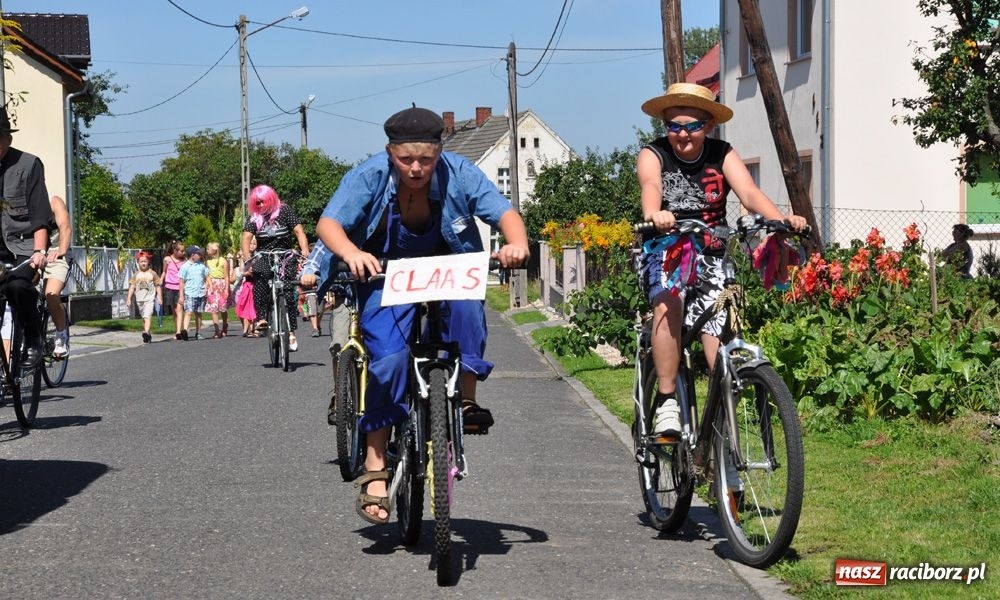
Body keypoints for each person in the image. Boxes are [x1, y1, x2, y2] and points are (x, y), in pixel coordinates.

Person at [313, 105, 529, 524]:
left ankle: (466, 401)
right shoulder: (369, 175)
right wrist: (352, 252)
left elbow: (503, 212)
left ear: (439, 152)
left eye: (426, 159)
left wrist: (516, 243)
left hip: (446, 269)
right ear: (390, 152)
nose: (416, 168)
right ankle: (376, 464)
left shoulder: (459, 172)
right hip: (384, 274)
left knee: (468, 309)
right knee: (389, 359)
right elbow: (329, 224)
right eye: (406, 159)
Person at [637, 83, 807, 437]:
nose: (682, 134)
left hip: (712, 256)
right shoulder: (654, 153)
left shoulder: (722, 153)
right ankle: (667, 401)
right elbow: (651, 185)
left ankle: (721, 428)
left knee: (720, 338)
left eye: (692, 125)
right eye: (673, 125)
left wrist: (780, 222)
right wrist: (655, 214)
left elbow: (749, 192)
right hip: (666, 252)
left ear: (709, 126)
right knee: (669, 305)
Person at [0, 108, 53, 368]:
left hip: (23, 246)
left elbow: (40, 214)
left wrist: (39, 252)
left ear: (8, 139)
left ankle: (33, 338)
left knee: (18, 287)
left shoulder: (28, 165)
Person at [241, 184, 310, 351]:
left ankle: (291, 332)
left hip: (285, 255)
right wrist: (247, 257)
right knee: (260, 278)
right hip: (264, 255)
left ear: (270, 199)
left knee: (288, 291)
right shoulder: (255, 217)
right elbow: (246, 237)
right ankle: (262, 319)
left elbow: (299, 231)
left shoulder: (284, 211)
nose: (260, 205)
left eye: (262, 201)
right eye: (257, 202)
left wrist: (305, 251)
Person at [300, 240, 350, 426]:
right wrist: (309, 272)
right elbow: (317, 255)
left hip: (375, 294)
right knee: (339, 346)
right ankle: (340, 396)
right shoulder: (337, 228)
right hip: (346, 297)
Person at [44, 195, 72, 358]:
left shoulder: (54, 202)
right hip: (32, 255)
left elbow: (65, 227)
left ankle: (61, 334)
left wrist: (61, 250)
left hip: (55, 255)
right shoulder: (20, 203)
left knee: (51, 294)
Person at [125, 251, 163, 343]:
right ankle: (148, 334)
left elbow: (158, 286)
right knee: (144, 318)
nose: (143, 263)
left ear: (148, 262)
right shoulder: (136, 274)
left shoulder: (152, 273)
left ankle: (145, 332)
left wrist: (160, 297)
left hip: (149, 299)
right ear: (138, 262)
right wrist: (129, 299)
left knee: (147, 316)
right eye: (141, 261)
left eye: (145, 261)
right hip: (139, 299)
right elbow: (132, 287)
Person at [178, 245, 209, 340]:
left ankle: (198, 332)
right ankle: (185, 330)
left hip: (200, 292)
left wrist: (207, 287)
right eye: (198, 254)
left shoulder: (202, 265)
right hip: (190, 293)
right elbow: (181, 282)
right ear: (192, 255)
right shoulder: (185, 266)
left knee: (198, 313)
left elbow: (207, 277)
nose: (200, 255)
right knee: (189, 312)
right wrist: (181, 296)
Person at [204, 241, 231, 337]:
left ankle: (224, 325)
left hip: (221, 284)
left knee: (223, 308)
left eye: (208, 249)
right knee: (213, 308)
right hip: (212, 285)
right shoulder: (207, 262)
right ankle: (217, 330)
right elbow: (207, 275)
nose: (207, 251)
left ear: (214, 250)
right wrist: (207, 286)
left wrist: (227, 289)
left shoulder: (223, 261)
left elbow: (226, 276)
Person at [160, 240, 186, 340]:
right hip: (169, 287)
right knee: (174, 311)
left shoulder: (184, 262)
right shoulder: (167, 259)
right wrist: (161, 279)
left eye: (183, 251)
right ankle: (177, 330)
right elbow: (164, 271)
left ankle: (179, 331)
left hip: (179, 288)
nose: (183, 253)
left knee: (179, 309)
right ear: (175, 250)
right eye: (181, 251)